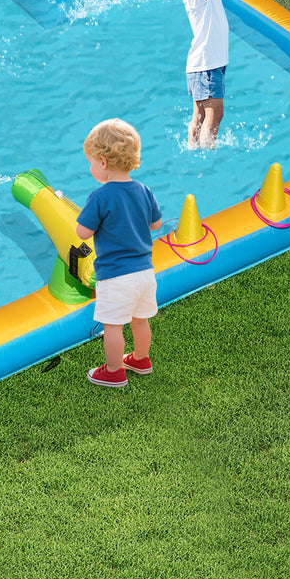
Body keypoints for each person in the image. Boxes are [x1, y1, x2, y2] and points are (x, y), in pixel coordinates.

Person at [75, 119, 162, 388]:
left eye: (90, 162)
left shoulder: (100, 196)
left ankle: (113, 371)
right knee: (140, 319)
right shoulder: (144, 190)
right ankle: (140, 359)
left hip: (115, 276)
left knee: (112, 326)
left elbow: (82, 233)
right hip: (145, 273)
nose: (90, 168)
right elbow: (155, 224)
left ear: (103, 162)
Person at [161, 0, 239, 148]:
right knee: (215, 115)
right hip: (206, 63)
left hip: (206, 63)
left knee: (201, 115)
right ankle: (208, 152)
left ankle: (194, 148)